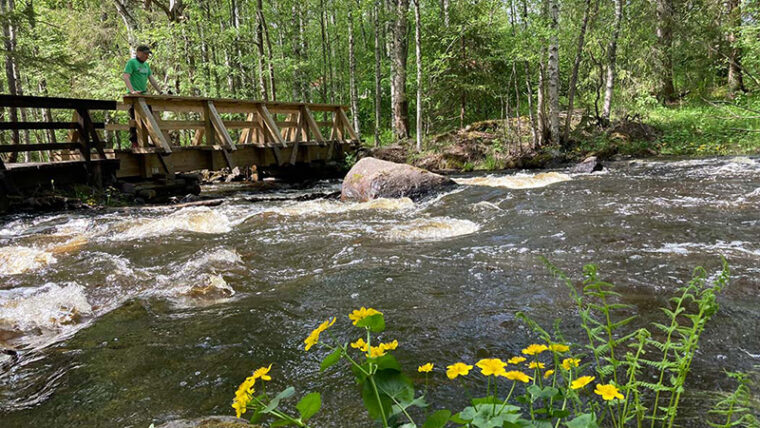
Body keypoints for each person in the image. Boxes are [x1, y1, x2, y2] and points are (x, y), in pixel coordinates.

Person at [122, 45, 164, 147]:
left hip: (144, 96)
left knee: (149, 118)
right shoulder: (132, 63)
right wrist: (132, 91)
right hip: (134, 97)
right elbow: (125, 76)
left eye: (148, 54)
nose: (146, 56)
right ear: (138, 53)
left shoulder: (146, 65)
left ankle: (148, 141)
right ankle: (135, 142)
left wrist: (160, 92)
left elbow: (151, 79)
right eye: (145, 54)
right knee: (134, 119)